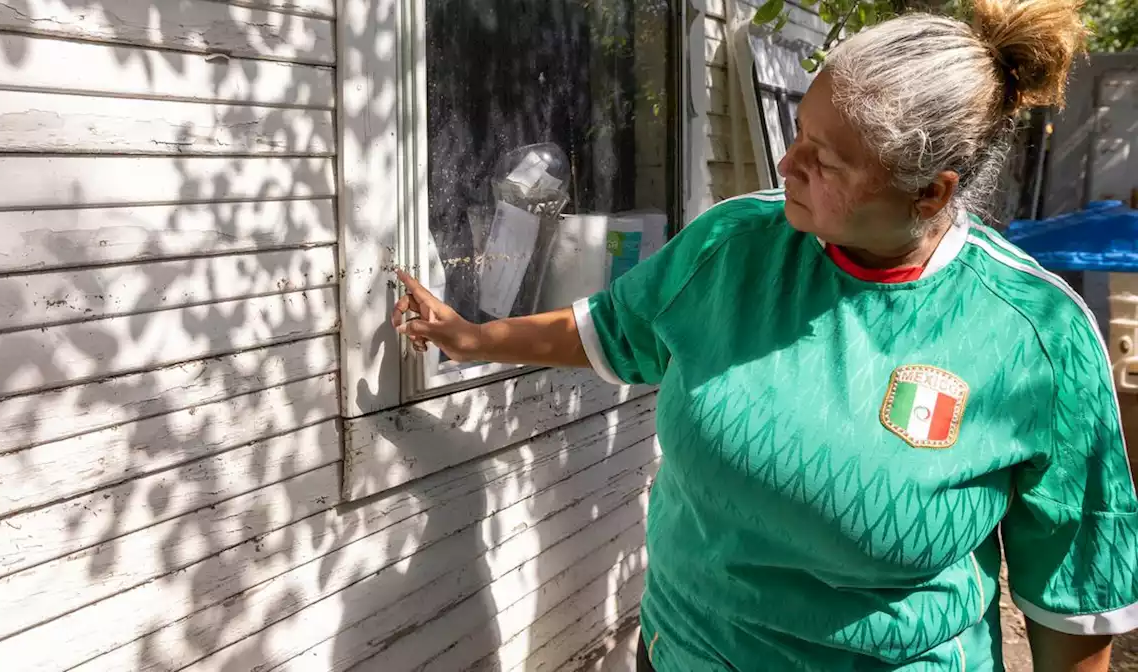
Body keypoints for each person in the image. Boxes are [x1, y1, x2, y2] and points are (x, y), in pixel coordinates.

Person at [391, 0, 1138, 668]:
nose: (789, 163)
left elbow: (1072, 595)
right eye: (799, 135)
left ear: (930, 189)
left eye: (827, 159)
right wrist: (474, 338)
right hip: (684, 652)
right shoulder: (735, 245)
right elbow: (613, 328)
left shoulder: (1033, 335)